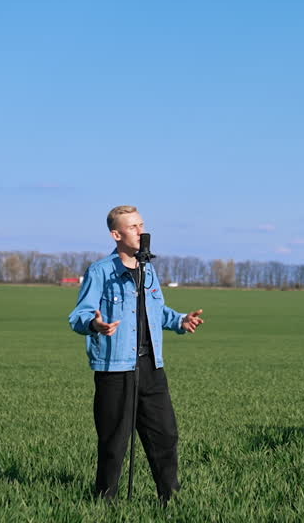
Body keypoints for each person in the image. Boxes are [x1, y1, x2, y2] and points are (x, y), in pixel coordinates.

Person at [68, 206, 204, 504]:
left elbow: (156, 312)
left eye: (142, 224)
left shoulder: (149, 269)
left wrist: (181, 321)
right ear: (116, 234)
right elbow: (78, 316)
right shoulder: (101, 271)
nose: (140, 231)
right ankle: (105, 502)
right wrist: (96, 324)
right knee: (115, 442)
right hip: (115, 367)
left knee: (165, 435)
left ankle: (170, 499)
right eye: (132, 227)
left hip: (151, 365)